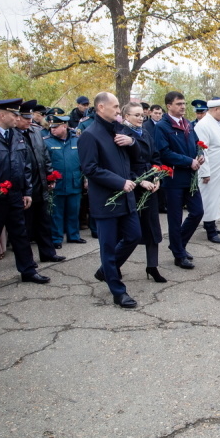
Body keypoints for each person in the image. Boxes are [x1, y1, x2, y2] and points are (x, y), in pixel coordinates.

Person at [0, 99, 50, 290]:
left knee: (20, 234)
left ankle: (28, 270)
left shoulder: (17, 135)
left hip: (15, 194)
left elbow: (25, 165)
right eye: (14, 114)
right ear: (2, 115)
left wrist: (27, 191)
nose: (18, 118)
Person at [77, 92, 141, 307]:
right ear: (101, 108)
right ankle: (117, 291)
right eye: (114, 106)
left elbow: (136, 158)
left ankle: (106, 270)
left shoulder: (119, 130)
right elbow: (90, 169)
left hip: (126, 197)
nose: (118, 110)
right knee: (108, 246)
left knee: (134, 236)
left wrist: (131, 142)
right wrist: (119, 182)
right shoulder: (90, 135)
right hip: (106, 200)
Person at [156, 91, 205, 269]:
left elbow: (197, 144)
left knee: (197, 212)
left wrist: (200, 155)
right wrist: (188, 161)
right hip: (174, 178)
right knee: (175, 218)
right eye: (179, 104)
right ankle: (179, 254)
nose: (183, 107)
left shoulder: (187, 124)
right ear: (169, 106)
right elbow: (164, 153)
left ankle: (178, 244)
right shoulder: (162, 127)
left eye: (184, 103)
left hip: (190, 177)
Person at [121, 102, 166, 283]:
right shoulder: (123, 135)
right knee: (128, 232)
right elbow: (122, 165)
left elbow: (155, 157)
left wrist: (157, 177)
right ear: (126, 116)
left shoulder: (145, 132)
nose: (141, 118)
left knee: (152, 227)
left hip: (150, 184)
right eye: (136, 115)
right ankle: (114, 266)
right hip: (132, 187)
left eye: (142, 115)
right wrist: (140, 181)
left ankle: (152, 266)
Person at [16, 101, 66, 263]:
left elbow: (44, 155)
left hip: (40, 184)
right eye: (25, 117)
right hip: (24, 188)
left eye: (30, 116)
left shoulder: (35, 132)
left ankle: (48, 253)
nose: (29, 120)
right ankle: (27, 262)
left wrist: (50, 176)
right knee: (25, 227)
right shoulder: (13, 134)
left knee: (44, 222)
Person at [44, 115, 86, 248]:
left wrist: (86, 179)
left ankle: (74, 235)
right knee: (56, 213)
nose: (52, 130)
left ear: (64, 126)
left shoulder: (77, 140)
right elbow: (44, 163)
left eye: (55, 127)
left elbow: (84, 162)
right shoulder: (46, 141)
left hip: (74, 181)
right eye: (51, 127)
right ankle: (57, 238)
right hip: (57, 183)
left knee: (74, 210)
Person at [194, 97, 220, 244]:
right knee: (209, 198)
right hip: (210, 168)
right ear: (215, 110)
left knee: (217, 197)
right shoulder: (203, 125)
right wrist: (205, 172)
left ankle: (212, 223)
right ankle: (210, 229)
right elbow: (202, 150)